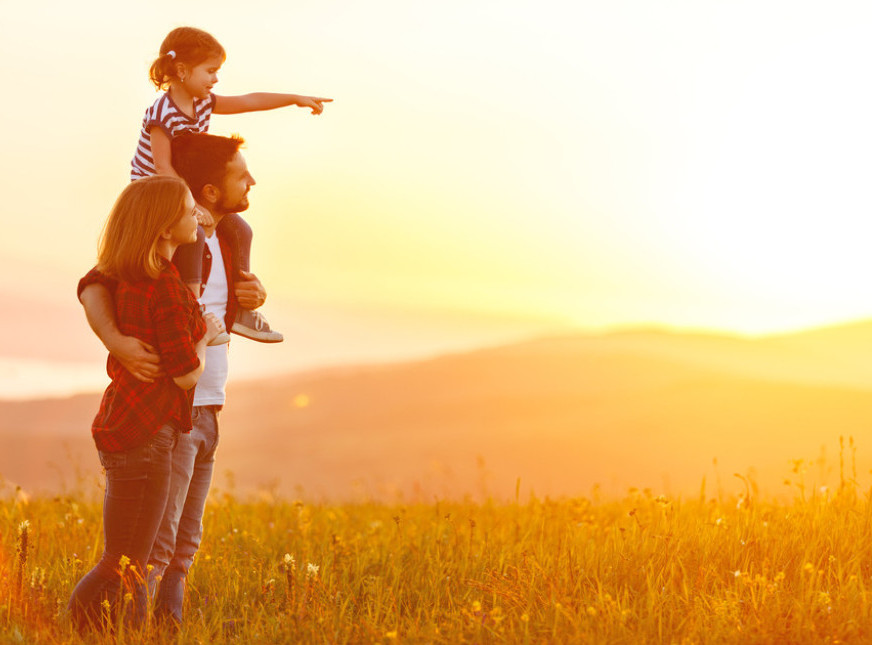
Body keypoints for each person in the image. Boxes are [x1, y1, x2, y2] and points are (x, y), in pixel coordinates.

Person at [79, 132, 265, 627]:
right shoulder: (165, 253)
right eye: (241, 174)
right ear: (208, 191)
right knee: (152, 547)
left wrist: (252, 297)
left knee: (184, 544)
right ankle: (125, 628)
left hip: (208, 404)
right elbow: (96, 282)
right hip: (170, 408)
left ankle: (166, 627)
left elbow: (210, 318)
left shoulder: (231, 238)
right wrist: (116, 341)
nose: (252, 181)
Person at [67, 176, 224, 632]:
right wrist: (207, 338)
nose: (196, 216)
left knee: (125, 559)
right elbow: (185, 373)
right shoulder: (166, 287)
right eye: (188, 209)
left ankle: (102, 631)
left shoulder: (132, 278)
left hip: (125, 423)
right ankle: (80, 627)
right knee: (125, 561)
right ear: (164, 228)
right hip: (150, 434)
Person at [131, 26, 331, 344]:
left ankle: (239, 309)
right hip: (157, 192)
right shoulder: (162, 113)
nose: (215, 79)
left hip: (185, 189)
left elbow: (248, 101)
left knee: (240, 230)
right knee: (194, 234)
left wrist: (294, 99)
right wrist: (190, 206)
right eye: (210, 71)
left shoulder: (203, 102)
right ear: (181, 70)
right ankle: (192, 311)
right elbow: (162, 167)